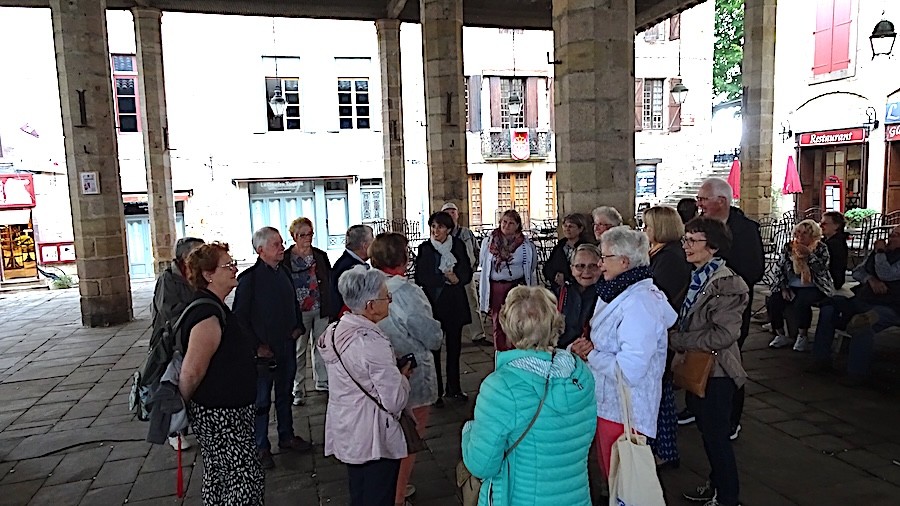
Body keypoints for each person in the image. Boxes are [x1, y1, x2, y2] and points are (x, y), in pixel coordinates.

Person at [462, 286, 596, 506]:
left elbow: (482, 465)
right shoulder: (580, 376)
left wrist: (468, 431)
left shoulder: (501, 388)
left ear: (509, 326)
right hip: (575, 497)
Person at [570, 226, 677, 480]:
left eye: (604, 257)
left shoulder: (640, 303)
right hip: (609, 404)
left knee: (625, 483)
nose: (599, 263)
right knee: (613, 477)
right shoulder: (617, 291)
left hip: (626, 412)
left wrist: (591, 355)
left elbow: (631, 370)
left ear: (624, 261)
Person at [670, 216, 749, 506]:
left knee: (717, 440)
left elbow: (722, 336)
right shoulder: (699, 277)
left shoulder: (727, 284)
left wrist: (677, 340)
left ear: (713, 247)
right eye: (685, 239)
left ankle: (728, 498)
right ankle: (717, 486)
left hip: (717, 372)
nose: (686, 246)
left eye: (693, 240)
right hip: (698, 367)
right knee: (708, 436)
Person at [318, 266, 412, 506]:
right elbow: (394, 400)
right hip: (373, 434)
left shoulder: (334, 332)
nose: (389, 301)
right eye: (385, 296)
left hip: (347, 426)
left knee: (358, 491)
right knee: (378, 495)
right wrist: (403, 377)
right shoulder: (371, 343)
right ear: (370, 306)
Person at [179, 242, 263, 505]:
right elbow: (192, 372)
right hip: (222, 417)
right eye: (227, 265)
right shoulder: (207, 315)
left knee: (220, 476)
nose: (234, 268)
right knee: (242, 480)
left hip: (231, 413)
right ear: (208, 274)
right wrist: (179, 411)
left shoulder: (216, 306)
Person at [370, 232, 444, 506]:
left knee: (385, 436)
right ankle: (397, 496)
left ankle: (391, 489)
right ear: (403, 258)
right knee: (408, 438)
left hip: (377, 372)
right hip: (410, 371)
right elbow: (428, 333)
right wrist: (437, 334)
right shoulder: (407, 292)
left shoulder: (366, 286)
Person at [234, 227, 311, 470]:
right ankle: (261, 445)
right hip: (263, 352)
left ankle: (286, 435)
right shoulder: (249, 280)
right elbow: (239, 318)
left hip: (286, 345)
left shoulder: (284, 272)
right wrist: (257, 346)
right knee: (261, 401)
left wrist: (297, 325)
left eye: (280, 243)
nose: (281, 248)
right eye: (276, 244)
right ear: (261, 250)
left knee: (285, 394)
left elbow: (293, 304)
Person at [692, 177, 763, 438]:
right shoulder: (702, 227)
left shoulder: (745, 230)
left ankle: (731, 418)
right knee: (698, 354)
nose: (698, 204)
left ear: (721, 201)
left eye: (703, 199)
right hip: (702, 306)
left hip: (730, 308)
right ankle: (696, 404)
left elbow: (754, 270)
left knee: (728, 362)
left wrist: (718, 271)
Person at [810, 225, 900, 386]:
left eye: (897, 235)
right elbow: (857, 272)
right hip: (864, 299)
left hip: (891, 305)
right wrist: (870, 279)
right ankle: (821, 359)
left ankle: (857, 374)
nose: (891, 238)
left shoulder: (882, 253)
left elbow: (888, 273)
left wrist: (879, 253)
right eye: (891, 234)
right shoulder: (881, 252)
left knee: (863, 322)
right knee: (829, 308)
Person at [643, 205, 691, 469]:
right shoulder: (659, 253)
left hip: (663, 333)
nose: (645, 230)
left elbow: (659, 294)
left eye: (648, 226)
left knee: (661, 396)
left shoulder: (670, 257)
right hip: (657, 331)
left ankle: (666, 451)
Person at [150, 236, 204, 451]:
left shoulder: (197, 275)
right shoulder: (169, 279)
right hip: (173, 342)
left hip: (193, 337)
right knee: (173, 385)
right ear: (185, 256)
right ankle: (175, 431)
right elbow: (169, 311)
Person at [415, 211, 474, 403]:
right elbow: (421, 276)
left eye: (440, 227)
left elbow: (466, 270)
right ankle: (436, 391)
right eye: (433, 226)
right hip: (434, 302)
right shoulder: (425, 248)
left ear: (448, 229)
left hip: (454, 302)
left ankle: (454, 388)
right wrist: (443, 279)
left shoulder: (457, 245)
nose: (435, 230)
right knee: (434, 349)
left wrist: (458, 278)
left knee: (454, 347)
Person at [281, 217, 333, 405]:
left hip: (320, 307)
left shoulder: (319, 255)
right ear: (294, 236)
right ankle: (298, 388)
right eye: (303, 235)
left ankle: (323, 382)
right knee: (299, 350)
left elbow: (328, 278)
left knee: (321, 346)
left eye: (310, 233)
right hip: (299, 311)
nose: (307, 238)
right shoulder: (286, 258)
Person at [766, 220, 834, 351]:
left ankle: (802, 335)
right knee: (774, 300)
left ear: (813, 235)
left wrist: (809, 255)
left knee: (801, 302)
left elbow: (821, 269)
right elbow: (780, 269)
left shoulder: (821, 248)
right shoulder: (789, 247)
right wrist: (784, 287)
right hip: (792, 284)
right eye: (798, 233)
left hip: (815, 285)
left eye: (805, 233)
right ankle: (780, 334)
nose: (800, 236)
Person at [478, 209, 537, 351]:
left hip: (516, 286)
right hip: (497, 286)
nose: (507, 225)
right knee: (498, 321)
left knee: (518, 320)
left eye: (511, 223)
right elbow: (482, 262)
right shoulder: (489, 242)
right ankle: (501, 351)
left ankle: (518, 351)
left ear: (517, 226)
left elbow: (532, 264)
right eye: (504, 222)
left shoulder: (525, 245)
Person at [442, 202, 488, 345]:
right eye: (447, 212)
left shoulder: (466, 233)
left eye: (453, 212)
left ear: (457, 215)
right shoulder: (440, 234)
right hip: (447, 276)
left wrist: (473, 266)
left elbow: (476, 250)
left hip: (465, 275)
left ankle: (478, 335)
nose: (451, 215)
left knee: (472, 302)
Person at [557, 243, 601, 349]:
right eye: (580, 266)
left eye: (593, 266)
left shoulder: (606, 296)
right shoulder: (560, 294)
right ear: (572, 269)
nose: (586, 271)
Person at [331, 224, 375, 321]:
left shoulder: (347, 261)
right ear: (365, 246)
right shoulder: (352, 269)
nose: (374, 245)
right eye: (372, 241)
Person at [543, 213, 592, 295]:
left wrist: (566, 278)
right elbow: (547, 267)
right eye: (565, 226)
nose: (567, 229)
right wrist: (554, 276)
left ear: (580, 229)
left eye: (571, 226)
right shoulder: (559, 247)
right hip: (559, 291)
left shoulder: (587, 248)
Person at [820, 211, 849, 290]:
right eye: (820, 223)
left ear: (836, 226)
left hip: (832, 281)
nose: (820, 226)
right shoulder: (827, 240)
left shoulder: (834, 244)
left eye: (824, 224)